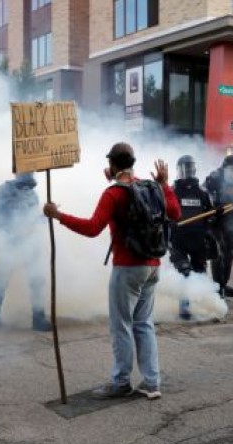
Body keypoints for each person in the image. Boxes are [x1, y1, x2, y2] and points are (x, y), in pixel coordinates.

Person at [43, 142, 181, 400]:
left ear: (112, 165)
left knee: (122, 326)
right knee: (143, 324)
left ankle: (120, 382)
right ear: (132, 163)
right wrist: (165, 184)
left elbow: (92, 227)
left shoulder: (114, 193)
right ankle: (152, 383)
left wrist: (58, 215)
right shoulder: (150, 187)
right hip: (152, 266)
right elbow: (174, 212)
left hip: (127, 268)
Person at [0, 172, 52, 332]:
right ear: (17, 174)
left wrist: (44, 217)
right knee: (2, 279)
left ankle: (38, 319)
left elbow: (34, 220)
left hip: (28, 243)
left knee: (37, 279)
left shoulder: (32, 195)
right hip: (9, 243)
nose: (29, 176)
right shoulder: (4, 191)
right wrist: (6, 233)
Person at [170, 155, 214, 320]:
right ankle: (184, 307)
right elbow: (163, 212)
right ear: (179, 169)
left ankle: (206, 306)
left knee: (200, 273)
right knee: (184, 273)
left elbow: (210, 214)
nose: (189, 170)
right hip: (178, 239)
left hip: (198, 239)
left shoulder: (202, 192)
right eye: (185, 167)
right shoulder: (172, 191)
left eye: (191, 167)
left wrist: (212, 220)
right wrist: (170, 223)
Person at [204, 154, 233, 295]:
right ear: (225, 168)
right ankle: (217, 287)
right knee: (218, 253)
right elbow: (203, 198)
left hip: (231, 222)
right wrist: (215, 206)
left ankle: (223, 284)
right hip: (215, 223)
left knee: (229, 254)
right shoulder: (213, 180)